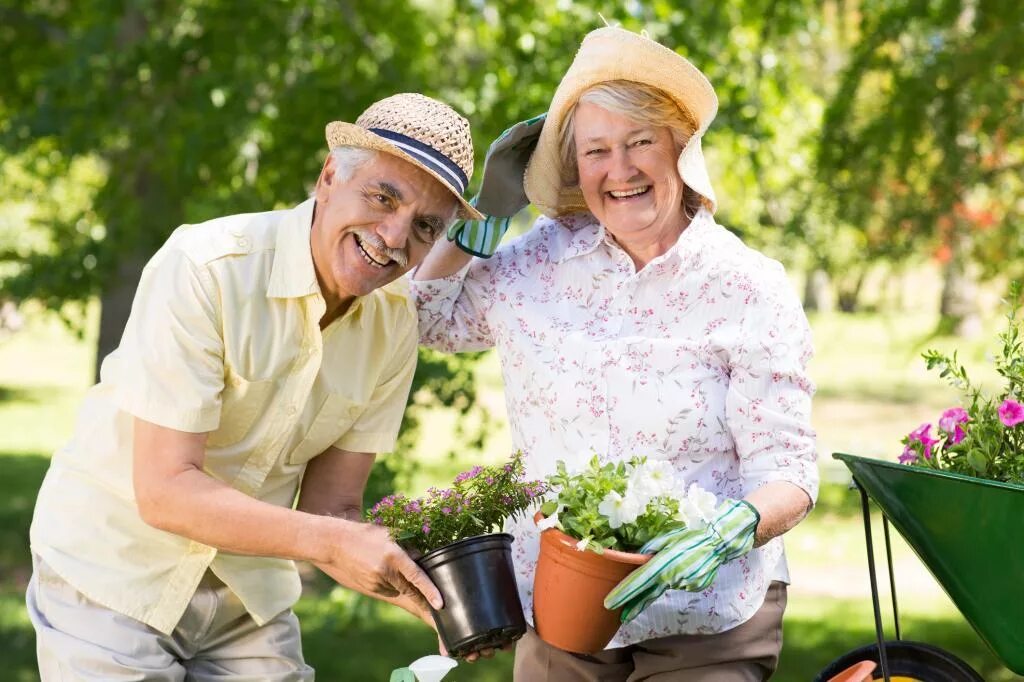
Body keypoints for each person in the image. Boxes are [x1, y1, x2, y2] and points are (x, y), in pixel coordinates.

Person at [26, 92, 483, 680]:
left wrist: (422, 586)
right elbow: (165, 490)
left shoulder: (394, 324)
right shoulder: (206, 268)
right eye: (382, 197)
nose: (394, 237)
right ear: (328, 177)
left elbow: (332, 509)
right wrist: (332, 543)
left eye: (425, 226)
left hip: (247, 597)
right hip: (112, 574)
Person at [412, 27, 818, 681]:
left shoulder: (747, 286)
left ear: (680, 149)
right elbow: (421, 318)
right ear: (575, 167)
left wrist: (726, 533)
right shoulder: (537, 262)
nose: (619, 169)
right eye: (596, 150)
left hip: (707, 612)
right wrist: (482, 215)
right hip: (563, 606)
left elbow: (790, 472)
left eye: (639, 143)